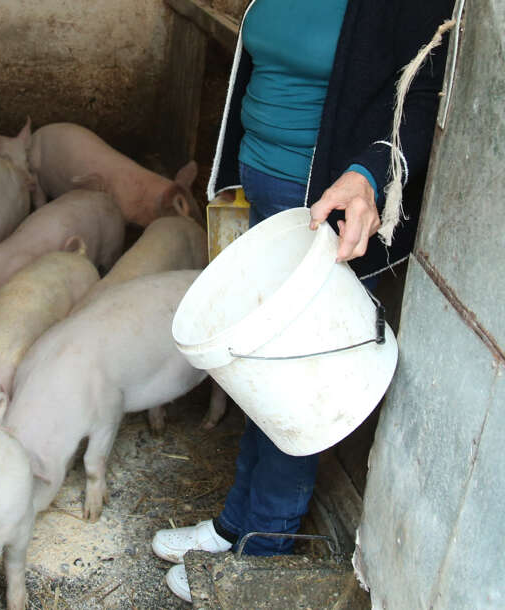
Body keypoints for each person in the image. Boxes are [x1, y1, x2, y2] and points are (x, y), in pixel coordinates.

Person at [151, 0, 455, 601]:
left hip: (324, 210)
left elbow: (423, 95)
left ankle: (264, 547)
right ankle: (236, 522)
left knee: (294, 377)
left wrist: (370, 175)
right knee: (257, 365)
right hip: (266, 195)